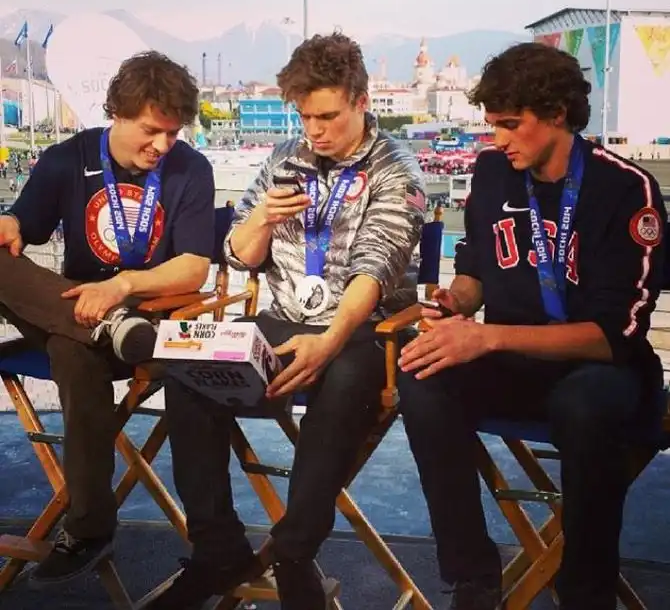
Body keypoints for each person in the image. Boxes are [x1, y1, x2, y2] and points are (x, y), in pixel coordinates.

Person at [148, 32, 426, 609]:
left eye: (327, 116)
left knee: (344, 375)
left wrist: (328, 341)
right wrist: (262, 220)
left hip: (364, 327)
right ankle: (217, 550)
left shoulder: (395, 169)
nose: (314, 131)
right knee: (186, 370)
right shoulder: (285, 158)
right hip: (281, 316)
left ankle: (294, 553)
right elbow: (239, 257)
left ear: (361, 102)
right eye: (304, 117)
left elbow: (374, 271)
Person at [396, 42, 666, 610]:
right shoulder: (493, 172)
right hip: (516, 362)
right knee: (422, 377)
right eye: (493, 124)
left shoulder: (626, 188)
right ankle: (472, 575)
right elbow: (477, 270)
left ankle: (585, 592)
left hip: (599, 370)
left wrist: (487, 337)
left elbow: (613, 337)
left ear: (558, 114)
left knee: (585, 406)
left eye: (511, 124)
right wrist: (455, 302)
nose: (498, 139)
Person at [0, 51, 215, 587]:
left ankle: (89, 529)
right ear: (116, 113)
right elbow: (22, 228)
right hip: (78, 312)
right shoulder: (65, 159)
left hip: (150, 325)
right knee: (57, 325)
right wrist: (10, 223)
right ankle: (102, 327)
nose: (162, 145)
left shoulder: (191, 169)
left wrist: (123, 287)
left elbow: (194, 267)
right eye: (151, 130)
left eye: (172, 133)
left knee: (71, 350)